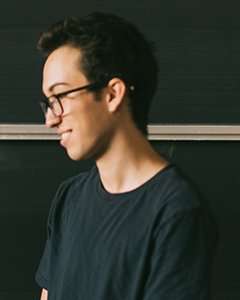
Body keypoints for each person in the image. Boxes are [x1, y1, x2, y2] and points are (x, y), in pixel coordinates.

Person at [34, 12, 218, 300]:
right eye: (48, 103)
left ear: (112, 94)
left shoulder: (177, 212)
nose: (51, 119)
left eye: (61, 96)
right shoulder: (69, 197)